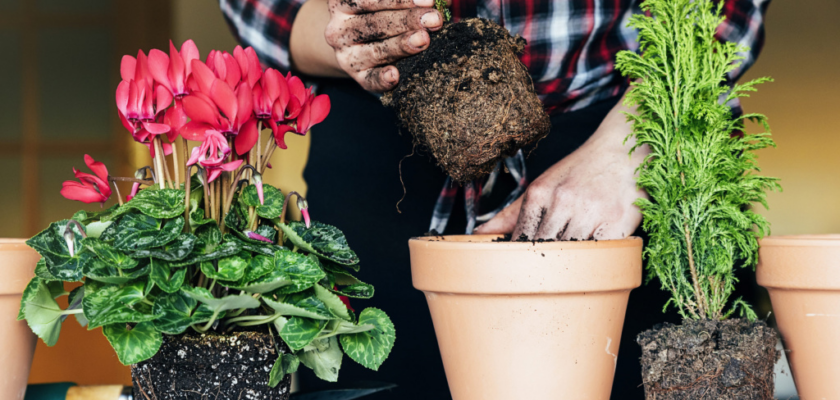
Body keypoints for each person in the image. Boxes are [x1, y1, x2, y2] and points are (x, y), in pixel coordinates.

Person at [220, 0, 770, 398]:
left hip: (625, 140)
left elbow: (726, 10)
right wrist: (348, 34)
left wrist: (639, 140)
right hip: (383, 151)